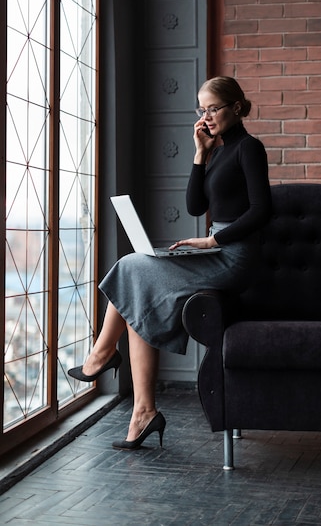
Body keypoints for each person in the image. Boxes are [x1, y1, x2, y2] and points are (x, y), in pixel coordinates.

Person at [68, 76, 272, 450]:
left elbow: (263, 211)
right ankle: (142, 411)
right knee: (137, 280)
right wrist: (200, 154)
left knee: (132, 267)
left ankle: (102, 357)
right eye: (202, 109)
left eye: (213, 108)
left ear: (236, 107)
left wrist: (213, 239)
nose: (206, 117)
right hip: (218, 249)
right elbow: (196, 205)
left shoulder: (249, 149)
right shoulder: (219, 149)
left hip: (236, 256)